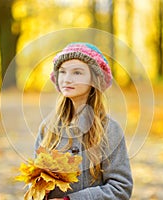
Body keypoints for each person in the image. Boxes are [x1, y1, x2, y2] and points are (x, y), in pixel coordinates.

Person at [34, 42, 133, 200]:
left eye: (77, 73)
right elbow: (35, 183)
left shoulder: (109, 129)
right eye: (63, 72)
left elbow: (120, 187)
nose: (67, 79)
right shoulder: (48, 128)